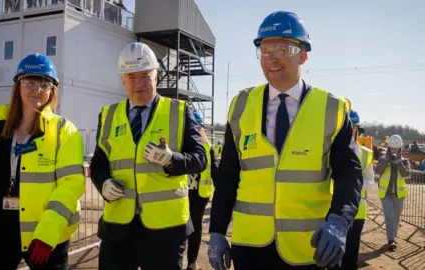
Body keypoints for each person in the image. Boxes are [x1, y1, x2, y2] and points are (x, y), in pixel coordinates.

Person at [207, 11, 363, 270]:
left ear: (303, 55)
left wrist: (339, 221)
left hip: (309, 249)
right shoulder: (241, 105)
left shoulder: (331, 108)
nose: (272, 57)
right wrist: (217, 231)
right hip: (250, 248)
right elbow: (228, 176)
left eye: (283, 48)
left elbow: (349, 173)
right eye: (265, 50)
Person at [0, 53, 86, 270]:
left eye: (45, 83)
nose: (37, 89)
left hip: (43, 236)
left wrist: (47, 235)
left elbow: (71, 186)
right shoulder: (1, 130)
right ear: (18, 86)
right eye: (30, 82)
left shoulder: (64, 131)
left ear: (53, 90)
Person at [90, 41, 207, 270]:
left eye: (145, 75)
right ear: (123, 80)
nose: (139, 83)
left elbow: (200, 158)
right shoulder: (108, 115)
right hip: (118, 231)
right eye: (132, 77)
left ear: (156, 76)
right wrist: (103, 183)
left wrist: (171, 159)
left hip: (165, 233)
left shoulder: (180, 111)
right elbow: (98, 164)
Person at [331, 109, 375, 270]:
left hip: (357, 210)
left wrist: (352, 186)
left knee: (351, 251)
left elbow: (370, 180)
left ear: (356, 129)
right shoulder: (328, 150)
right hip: (331, 210)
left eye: (351, 127)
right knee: (332, 253)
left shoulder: (365, 154)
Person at [185, 111, 219, 270]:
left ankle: (192, 261)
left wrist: (225, 191)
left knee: (195, 227)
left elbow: (214, 170)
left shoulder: (207, 147)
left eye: (197, 127)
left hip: (200, 194)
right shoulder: (181, 142)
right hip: (182, 193)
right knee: (180, 226)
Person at [374, 134, 410, 251]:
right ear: (389, 147)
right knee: (389, 216)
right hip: (386, 194)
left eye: (396, 148)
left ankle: (393, 236)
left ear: (400, 148)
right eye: (392, 148)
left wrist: (399, 163)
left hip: (399, 195)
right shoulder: (383, 159)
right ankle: (391, 240)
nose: (394, 150)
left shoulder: (404, 161)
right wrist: (385, 161)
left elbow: (407, 175)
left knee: (396, 217)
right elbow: (378, 171)